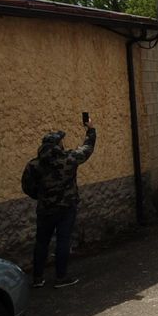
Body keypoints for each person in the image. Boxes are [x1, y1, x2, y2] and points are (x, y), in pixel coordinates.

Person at [29, 119, 96, 288]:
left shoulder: (34, 164)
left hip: (45, 209)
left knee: (41, 242)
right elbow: (87, 149)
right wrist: (91, 131)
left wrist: (41, 196)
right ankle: (61, 277)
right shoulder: (68, 159)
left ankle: (37, 278)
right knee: (63, 241)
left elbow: (27, 186)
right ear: (58, 144)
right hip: (66, 207)